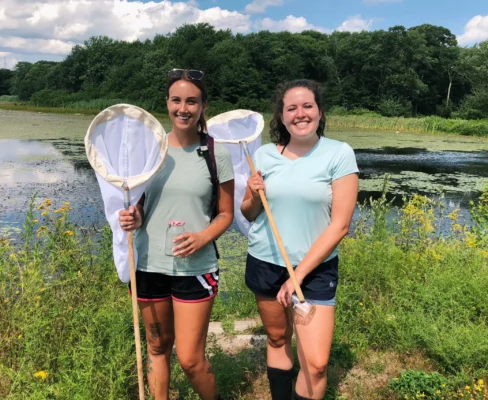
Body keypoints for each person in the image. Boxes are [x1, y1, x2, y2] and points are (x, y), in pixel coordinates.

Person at [119, 69, 234, 400]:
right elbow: (136, 203)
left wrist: (202, 237)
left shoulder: (215, 154)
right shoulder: (148, 151)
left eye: (191, 101)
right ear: (167, 103)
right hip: (147, 265)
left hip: (194, 269)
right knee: (157, 348)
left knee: (190, 359)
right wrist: (132, 216)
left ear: (202, 106)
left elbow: (226, 214)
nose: (183, 108)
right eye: (176, 100)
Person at [241, 79, 359, 400]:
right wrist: (252, 193)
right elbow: (249, 212)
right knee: (278, 339)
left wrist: (299, 276)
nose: (300, 113)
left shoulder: (339, 154)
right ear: (281, 116)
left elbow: (340, 225)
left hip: (315, 270)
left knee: (317, 363)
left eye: (308, 106)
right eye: (291, 108)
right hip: (265, 262)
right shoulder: (263, 155)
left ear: (320, 112)